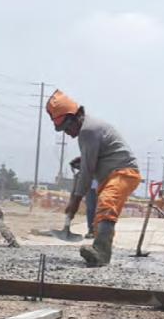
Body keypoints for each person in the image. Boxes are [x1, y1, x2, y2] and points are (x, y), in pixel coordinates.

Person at [46, 90, 141, 267]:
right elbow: (93, 160)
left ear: (77, 117)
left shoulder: (88, 131)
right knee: (100, 216)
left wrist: (75, 200)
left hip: (123, 172)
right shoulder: (87, 130)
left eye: (67, 127)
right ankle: (99, 254)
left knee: (107, 202)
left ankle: (101, 253)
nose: (67, 133)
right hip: (111, 174)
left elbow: (87, 172)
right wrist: (83, 160)